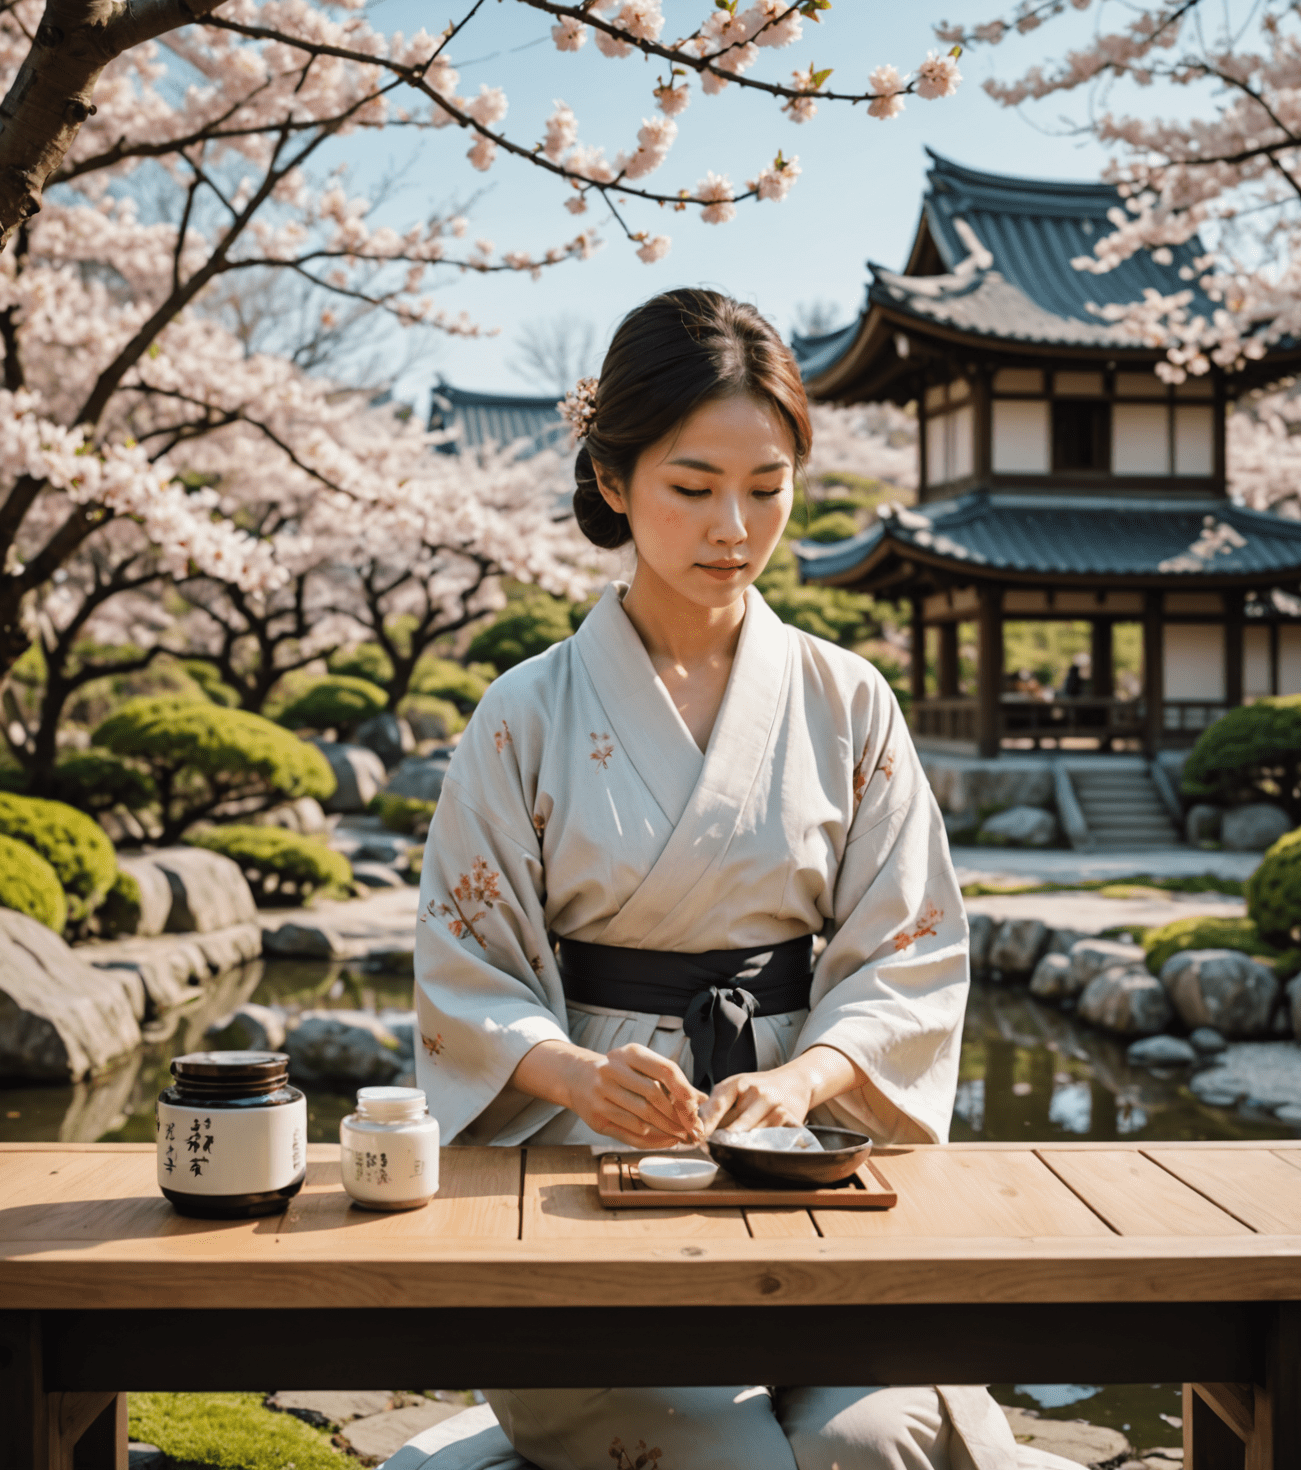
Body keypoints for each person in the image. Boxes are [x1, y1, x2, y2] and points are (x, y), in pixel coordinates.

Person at [414, 290, 1063, 1470]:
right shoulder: (524, 714)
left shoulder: (847, 700)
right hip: (581, 1166)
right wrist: (573, 1070)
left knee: (868, 1442)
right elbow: (466, 968)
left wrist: (811, 1078)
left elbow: (909, 947)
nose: (735, 525)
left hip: (811, 1166)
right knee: (725, 1456)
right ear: (613, 482)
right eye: (693, 484)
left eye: (768, 489)